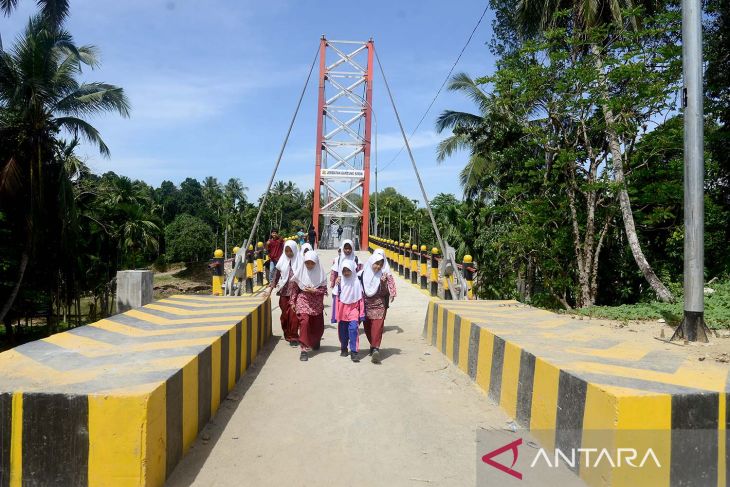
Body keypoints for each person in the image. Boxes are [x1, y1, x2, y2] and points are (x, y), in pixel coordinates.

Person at [359, 252, 396, 364]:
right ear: (371, 263)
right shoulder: (361, 274)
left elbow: (385, 292)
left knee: (377, 327)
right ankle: (373, 344)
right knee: (367, 328)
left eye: (381, 264)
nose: (378, 266)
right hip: (366, 306)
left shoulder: (383, 275)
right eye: (376, 264)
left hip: (379, 305)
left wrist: (383, 284)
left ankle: (376, 348)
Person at [291, 250, 327, 361]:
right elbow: (295, 288)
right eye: (307, 263)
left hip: (316, 303)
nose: (309, 265)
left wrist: (314, 291)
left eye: (312, 263)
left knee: (317, 325)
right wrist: (293, 301)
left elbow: (324, 291)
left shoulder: (321, 274)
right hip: (303, 300)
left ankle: (315, 340)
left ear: (316, 262)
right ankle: (304, 349)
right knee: (304, 322)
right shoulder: (300, 272)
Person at [264, 240, 301, 346]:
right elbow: (276, 276)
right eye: (287, 251)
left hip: (296, 293)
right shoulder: (282, 261)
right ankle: (287, 333)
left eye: (291, 251)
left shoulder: (300, 262)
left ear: (295, 250)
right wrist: (270, 288)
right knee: (285, 316)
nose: (289, 253)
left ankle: (294, 337)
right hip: (284, 292)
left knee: (294, 316)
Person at [336, 260, 365, 362]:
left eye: (349, 270)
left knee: (353, 329)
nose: (346, 273)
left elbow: (360, 299)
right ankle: (344, 347)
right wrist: (335, 315)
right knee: (342, 331)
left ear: (353, 270)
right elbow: (336, 298)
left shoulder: (357, 283)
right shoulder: (339, 283)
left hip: (353, 309)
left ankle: (354, 351)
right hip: (342, 310)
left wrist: (361, 313)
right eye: (344, 271)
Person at [329, 239, 360, 323]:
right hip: (341, 285)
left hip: (353, 285)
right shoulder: (339, 259)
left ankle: (353, 320)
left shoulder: (356, 259)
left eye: (349, 248)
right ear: (342, 249)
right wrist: (334, 282)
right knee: (341, 304)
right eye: (345, 248)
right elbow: (334, 272)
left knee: (353, 302)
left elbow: (360, 272)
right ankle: (343, 320)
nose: (347, 250)